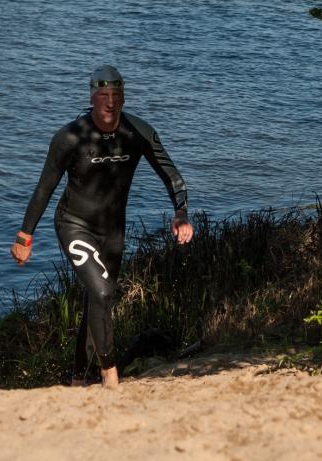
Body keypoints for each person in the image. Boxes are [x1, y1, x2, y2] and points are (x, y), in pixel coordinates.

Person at [10, 65, 193, 388]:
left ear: (124, 97)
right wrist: (25, 235)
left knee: (98, 299)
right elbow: (44, 188)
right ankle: (110, 374)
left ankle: (79, 376)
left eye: (116, 95)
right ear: (92, 97)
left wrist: (181, 213)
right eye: (104, 95)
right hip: (74, 223)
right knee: (102, 291)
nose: (110, 102)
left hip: (113, 231)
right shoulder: (70, 137)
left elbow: (171, 175)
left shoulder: (138, 132)